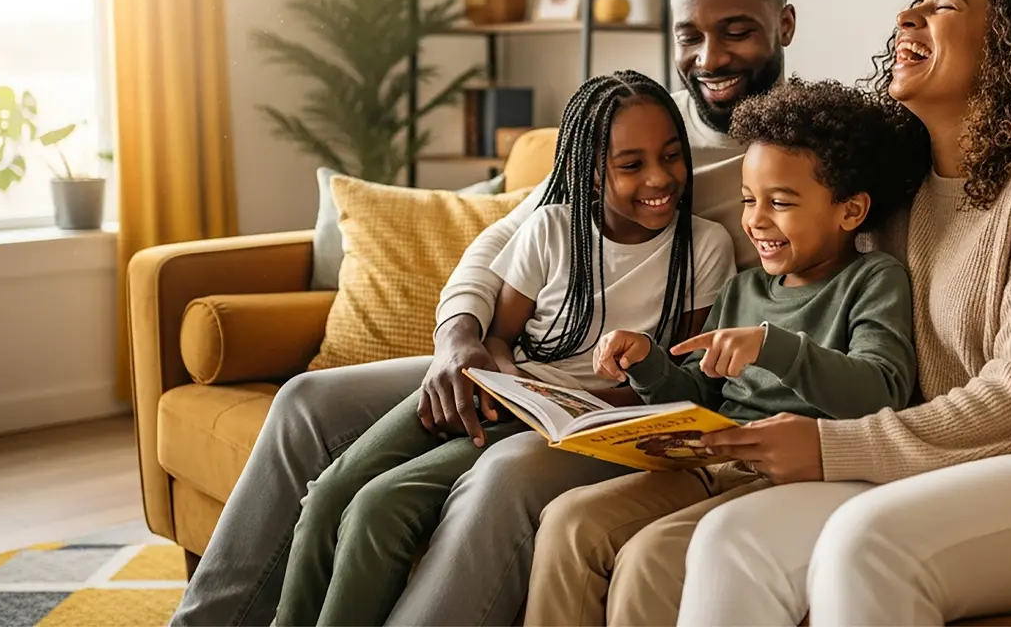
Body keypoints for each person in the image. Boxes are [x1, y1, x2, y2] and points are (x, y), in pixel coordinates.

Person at [171, 0, 1011, 627]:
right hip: (551, 367)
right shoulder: (653, 135)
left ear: (782, 27)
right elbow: (506, 230)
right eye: (689, 34)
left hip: (670, 403)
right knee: (304, 405)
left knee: (515, 485)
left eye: (735, 29)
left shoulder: (839, 150)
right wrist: (461, 341)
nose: (709, 54)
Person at [660, 0, 1011, 626]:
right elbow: (782, 240)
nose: (907, 15)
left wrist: (830, 448)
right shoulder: (893, 201)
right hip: (957, 466)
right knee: (734, 539)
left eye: (944, 7)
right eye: (915, 4)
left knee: (867, 544)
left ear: (1007, 48)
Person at [269, 71, 736, 626]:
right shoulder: (549, 229)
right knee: (333, 493)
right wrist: (512, 382)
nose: (660, 177)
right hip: (513, 399)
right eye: (631, 164)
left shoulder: (705, 247)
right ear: (589, 174)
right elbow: (500, 335)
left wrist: (623, 384)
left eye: (672, 156)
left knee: (380, 506)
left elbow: (682, 374)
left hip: (588, 426)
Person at [524, 79, 922, 626]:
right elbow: (697, 391)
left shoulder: (874, 279)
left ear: (850, 211)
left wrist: (773, 348)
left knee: (649, 556)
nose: (755, 220)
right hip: (711, 459)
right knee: (569, 522)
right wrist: (648, 363)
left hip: (793, 472)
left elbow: (881, 392)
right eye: (748, 200)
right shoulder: (745, 289)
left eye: (779, 203)